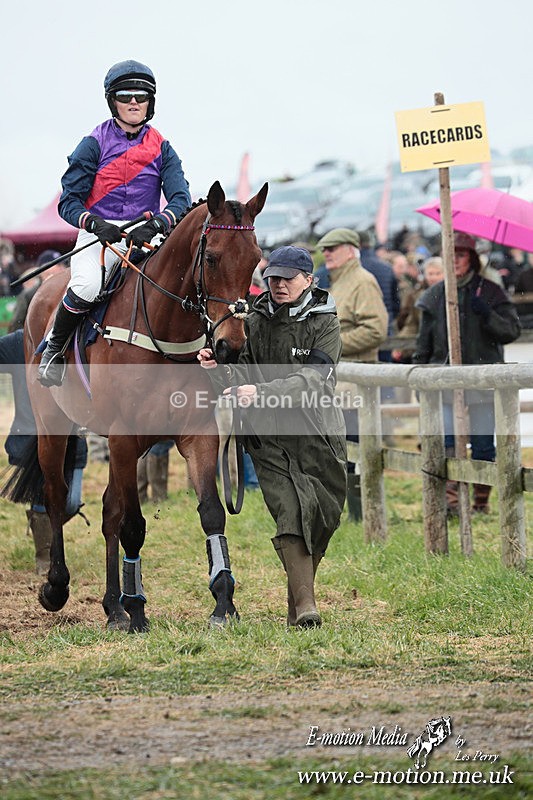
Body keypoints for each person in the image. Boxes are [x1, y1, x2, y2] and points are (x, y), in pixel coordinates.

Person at [198, 246, 347, 628]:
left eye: (288, 278)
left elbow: (315, 379)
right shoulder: (255, 320)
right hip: (266, 436)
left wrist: (262, 391)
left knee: (323, 517)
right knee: (290, 511)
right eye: (273, 278)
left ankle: (296, 606)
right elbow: (241, 375)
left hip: (318, 435)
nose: (278, 285)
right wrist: (219, 370)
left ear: (309, 281)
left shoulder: (325, 323)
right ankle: (308, 607)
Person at [38, 59, 191, 387]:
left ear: (150, 101)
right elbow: (68, 203)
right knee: (87, 287)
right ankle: (53, 348)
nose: (133, 102)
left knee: (183, 281)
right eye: (125, 95)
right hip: (100, 234)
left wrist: (160, 223)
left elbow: (181, 199)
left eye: (141, 95)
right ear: (112, 100)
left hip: (147, 233)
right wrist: (94, 224)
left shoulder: (163, 147)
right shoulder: (92, 143)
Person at [413, 232, 521, 514]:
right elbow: (423, 345)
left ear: (471, 258)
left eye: (460, 255)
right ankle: (451, 504)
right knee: (447, 443)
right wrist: (420, 381)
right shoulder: (434, 295)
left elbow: (510, 331)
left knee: (484, 445)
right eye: (451, 255)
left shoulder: (490, 292)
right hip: (445, 384)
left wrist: (487, 314)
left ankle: (480, 504)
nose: (456, 261)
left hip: (483, 384)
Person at [315, 228, 388, 522]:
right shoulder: (339, 283)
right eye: (325, 249)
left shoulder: (362, 282)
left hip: (355, 384)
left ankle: (362, 515)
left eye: (333, 248)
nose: (327, 253)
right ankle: (349, 513)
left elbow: (376, 330)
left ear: (351, 250)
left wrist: (333, 346)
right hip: (338, 382)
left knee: (354, 450)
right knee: (339, 450)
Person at [0, 329, 88, 573]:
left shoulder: (77, 336)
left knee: (70, 502)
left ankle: (45, 522)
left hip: (72, 439)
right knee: (44, 496)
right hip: (33, 435)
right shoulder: (20, 341)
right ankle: (45, 555)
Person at [7, 251, 63, 333]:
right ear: (43, 269)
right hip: (34, 341)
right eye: (58, 264)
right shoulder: (29, 295)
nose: (61, 268)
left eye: (61, 265)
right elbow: (17, 323)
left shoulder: (66, 290)